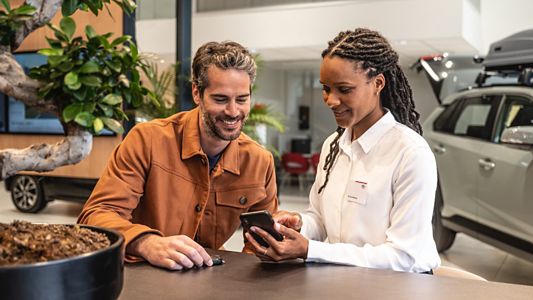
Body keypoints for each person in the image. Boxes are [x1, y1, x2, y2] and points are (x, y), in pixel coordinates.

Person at [246, 28, 440, 273]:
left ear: (378, 83)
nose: (331, 100)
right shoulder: (332, 146)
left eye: (344, 89)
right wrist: (299, 225)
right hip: (342, 281)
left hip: (399, 288)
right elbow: (320, 220)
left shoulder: (411, 153)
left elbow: (403, 257)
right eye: (326, 88)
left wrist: (310, 250)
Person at [78, 41, 278, 270]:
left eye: (241, 99)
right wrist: (146, 243)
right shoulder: (147, 140)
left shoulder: (259, 161)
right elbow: (95, 217)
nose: (233, 112)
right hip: (143, 276)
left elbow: (263, 242)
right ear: (196, 93)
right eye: (220, 99)